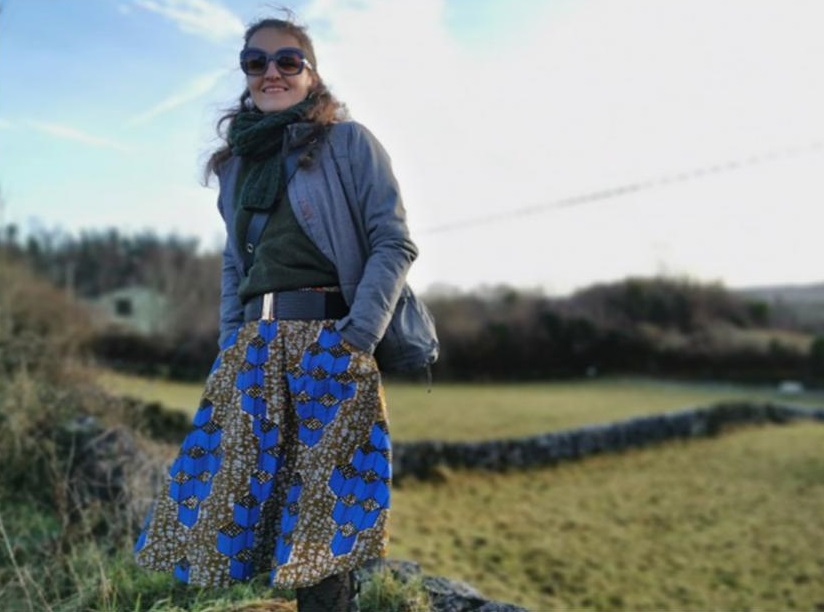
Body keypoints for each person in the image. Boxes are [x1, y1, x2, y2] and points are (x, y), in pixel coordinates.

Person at [134, 15, 419, 611]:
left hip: (330, 338)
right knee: (246, 500)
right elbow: (236, 266)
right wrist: (231, 343)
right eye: (255, 62)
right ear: (245, 75)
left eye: (288, 61)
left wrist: (357, 337)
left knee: (323, 511)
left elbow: (394, 242)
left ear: (311, 75)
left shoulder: (348, 143)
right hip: (256, 348)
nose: (272, 72)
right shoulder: (237, 166)